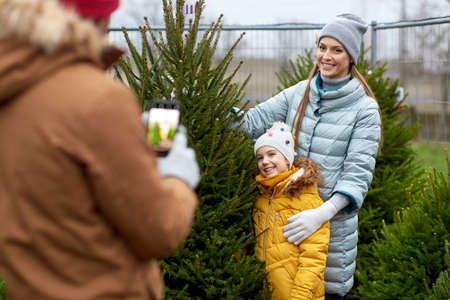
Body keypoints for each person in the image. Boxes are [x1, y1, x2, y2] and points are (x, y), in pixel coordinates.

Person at [0, 1, 200, 299]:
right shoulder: (99, 100)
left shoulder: (13, 92)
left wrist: (123, 141)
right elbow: (160, 230)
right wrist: (177, 175)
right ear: (98, 23)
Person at [239, 14, 382, 299]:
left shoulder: (364, 110)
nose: (326, 56)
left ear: (351, 57)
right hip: (285, 230)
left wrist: (321, 214)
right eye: (323, 47)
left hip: (331, 235)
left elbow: (357, 175)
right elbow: (250, 122)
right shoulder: (298, 93)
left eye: (337, 50)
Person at [253, 122, 329, 300]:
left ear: (287, 158)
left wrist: (299, 296)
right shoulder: (261, 198)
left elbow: (314, 257)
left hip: (298, 295)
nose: (265, 161)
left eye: (272, 154)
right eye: (259, 157)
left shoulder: (305, 197)